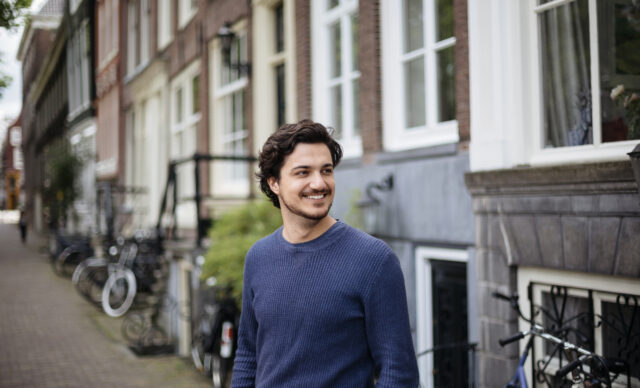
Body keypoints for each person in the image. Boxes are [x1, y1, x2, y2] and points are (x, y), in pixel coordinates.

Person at [231, 120, 419, 387]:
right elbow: (248, 355)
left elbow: (399, 373)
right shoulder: (258, 257)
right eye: (303, 173)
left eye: (326, 170)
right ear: (274, 182)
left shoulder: (374, 260)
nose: (319, 183)